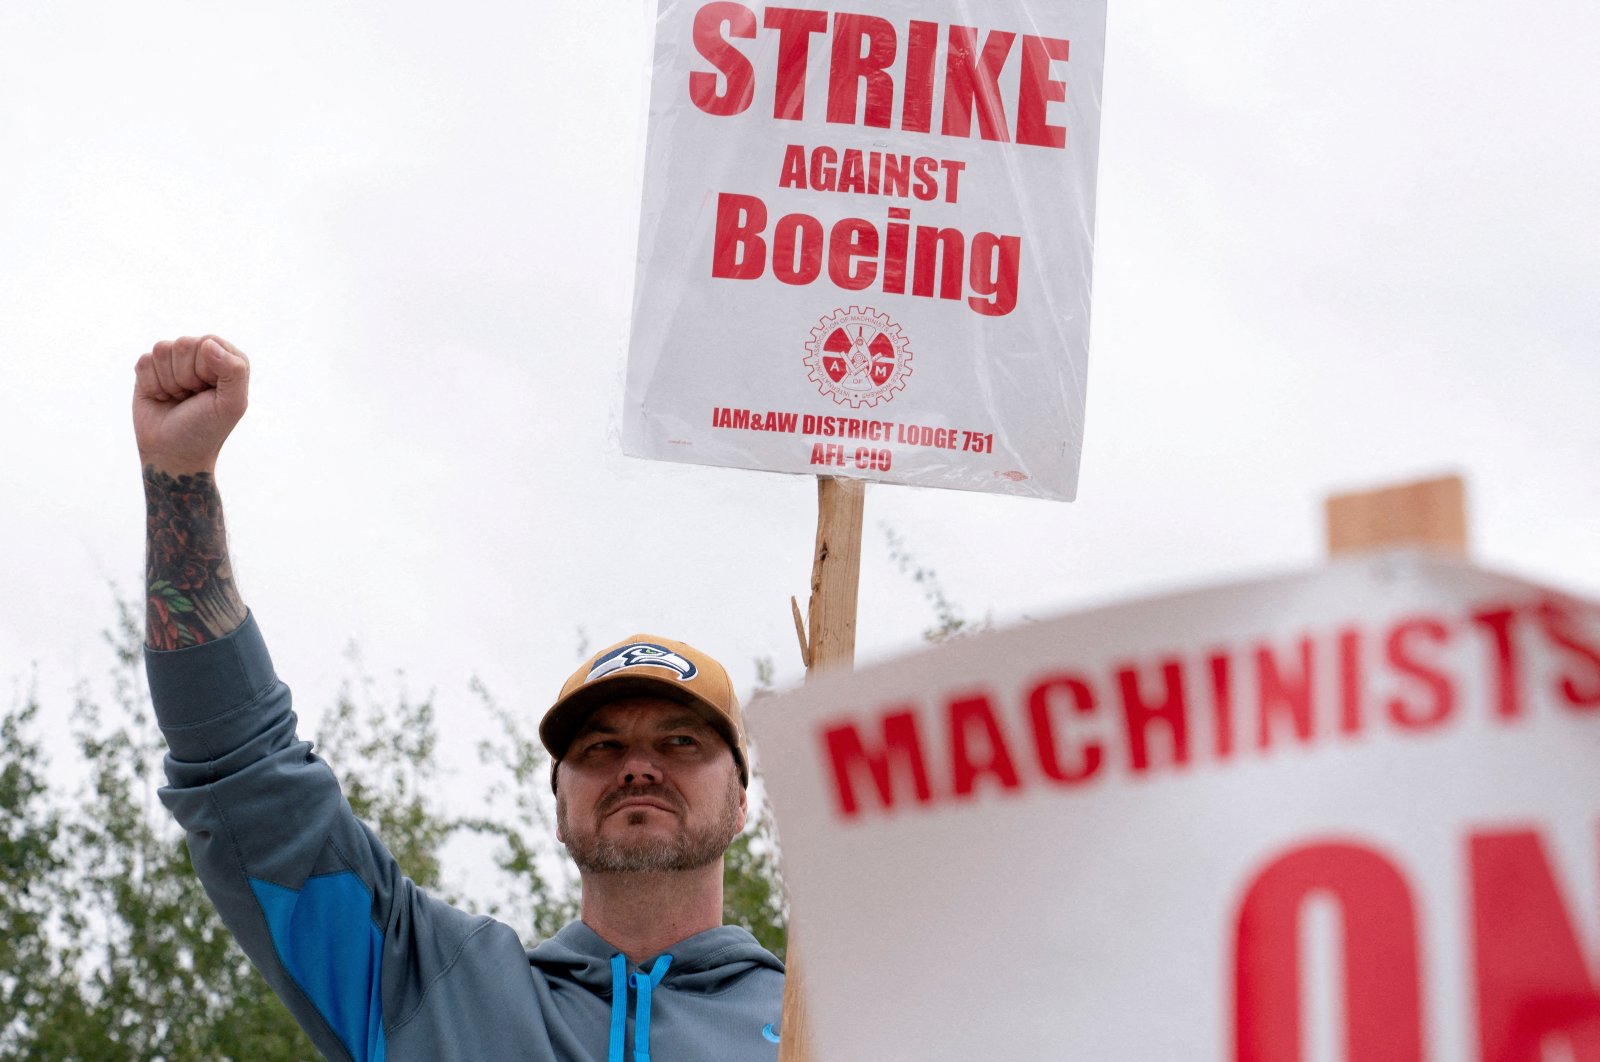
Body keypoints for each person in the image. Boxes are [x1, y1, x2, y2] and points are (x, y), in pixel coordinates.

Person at [133, 335, 785, 1061]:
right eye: (599, 747)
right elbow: (245, 774)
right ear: (559, 803)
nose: (637, 768)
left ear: (741, 801)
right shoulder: (425, 989)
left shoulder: (832, 1029)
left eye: (680, 743)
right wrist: (179, 478)